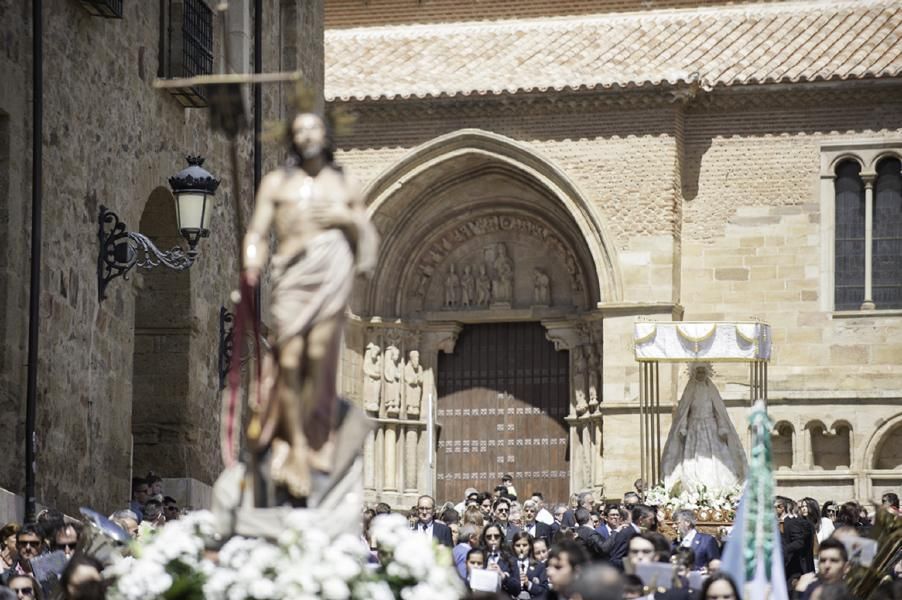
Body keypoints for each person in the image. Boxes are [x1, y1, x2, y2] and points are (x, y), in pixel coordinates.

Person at [241, 111, 377, 503]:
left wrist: (344, 218)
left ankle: (314, 440)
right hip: (292, 274)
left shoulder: (344, 181)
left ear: (325, 134)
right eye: (298, 129)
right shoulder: (276, 183)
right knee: (288, 360)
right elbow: (256, 230)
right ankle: (295, 447)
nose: (306, 135)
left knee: (319, 355)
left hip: (331, 271)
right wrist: (252, 263)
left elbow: (366, 229)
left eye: (313, 128)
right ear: (291, 138)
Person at [661, 363, 746, 494]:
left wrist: (722, 427)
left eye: (702, 372)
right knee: (693, 458)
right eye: (698, 372)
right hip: (694, 428)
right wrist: (683, 426)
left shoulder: (711, 390)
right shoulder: (690, 391)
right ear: (694, 373)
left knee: (714, 458)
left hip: (711, 427)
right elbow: (684, 411)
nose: (700, 375)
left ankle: (715, 486)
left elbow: (718, 410)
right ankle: (694, 484)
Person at [776, 496, 814, 584]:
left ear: (781, 507)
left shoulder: (793, 522)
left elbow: (799, 542)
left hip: (792, 570)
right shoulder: (775, 523)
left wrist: (783, 550)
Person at [481, 523, 521, 597]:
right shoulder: (479, 557)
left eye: (496, 536)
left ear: (501, 538)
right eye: (489, 537)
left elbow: (517, 590)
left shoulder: (510, 559)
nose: (493, 539)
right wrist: (485, 574)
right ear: (484, 539)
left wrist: (503, 576)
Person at [511, 531, 548, 598]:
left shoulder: (539, 566)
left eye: (525, 545)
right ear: (513, 547)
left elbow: (545, 590)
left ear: (530, 546)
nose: (521, 549)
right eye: (518, 545)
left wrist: (529, 584)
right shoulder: (509, 564)